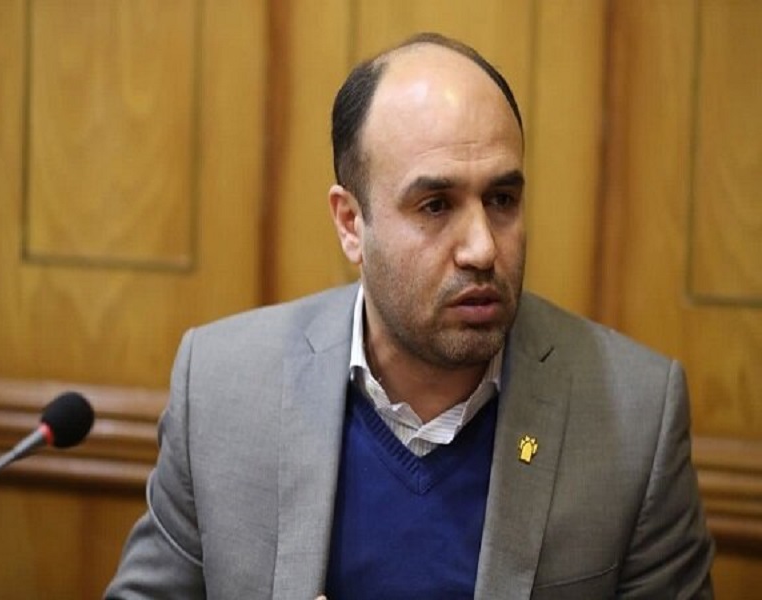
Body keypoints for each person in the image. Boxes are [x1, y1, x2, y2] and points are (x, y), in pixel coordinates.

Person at [105, 32, 714, 599]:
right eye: (435, 205)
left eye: (502, 199)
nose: (482, 249)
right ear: (351, 223)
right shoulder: (222, 388)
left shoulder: (635, 415)